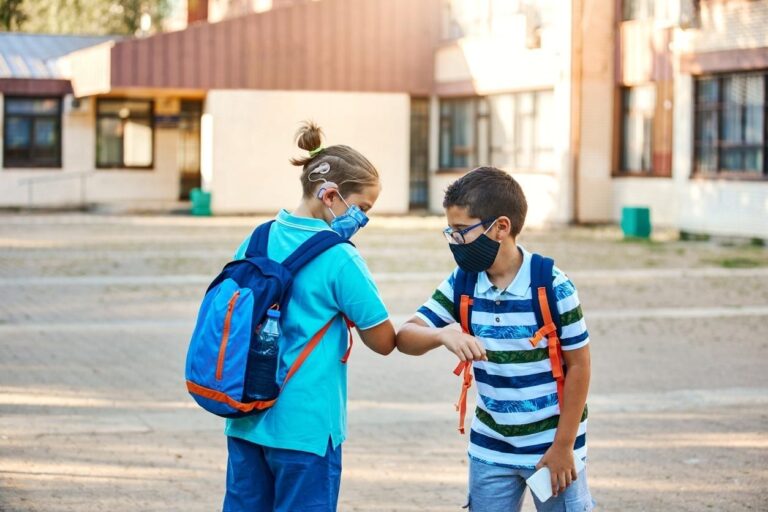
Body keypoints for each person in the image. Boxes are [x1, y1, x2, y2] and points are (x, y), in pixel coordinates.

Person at [396, 167, 595, 511]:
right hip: (490, 448)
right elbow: (406, 336)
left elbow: (579, 366)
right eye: (450, 231)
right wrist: (443, 334)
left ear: (500, 227)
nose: (454, 241)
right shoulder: (463, 282)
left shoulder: (553, 285)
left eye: (461, 231)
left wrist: (564, 446)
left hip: (552, 447)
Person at [223, 121, 396, 511]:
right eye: (363, 208)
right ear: (331, 195)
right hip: (307, 429)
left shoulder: (257, 238)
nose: (363, 219)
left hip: (246, 417)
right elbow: (384, 341)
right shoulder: (340, 257)